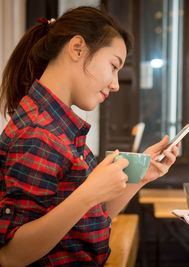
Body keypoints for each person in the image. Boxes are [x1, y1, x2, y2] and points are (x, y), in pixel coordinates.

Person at [0, 6, 179, 266]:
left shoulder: (59, 126)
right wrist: (90, 192)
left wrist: (141, 176)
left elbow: (91, 217)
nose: (116, 84)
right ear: (77, 48)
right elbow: (11, 255)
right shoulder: (38, 134)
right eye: (113, 65)